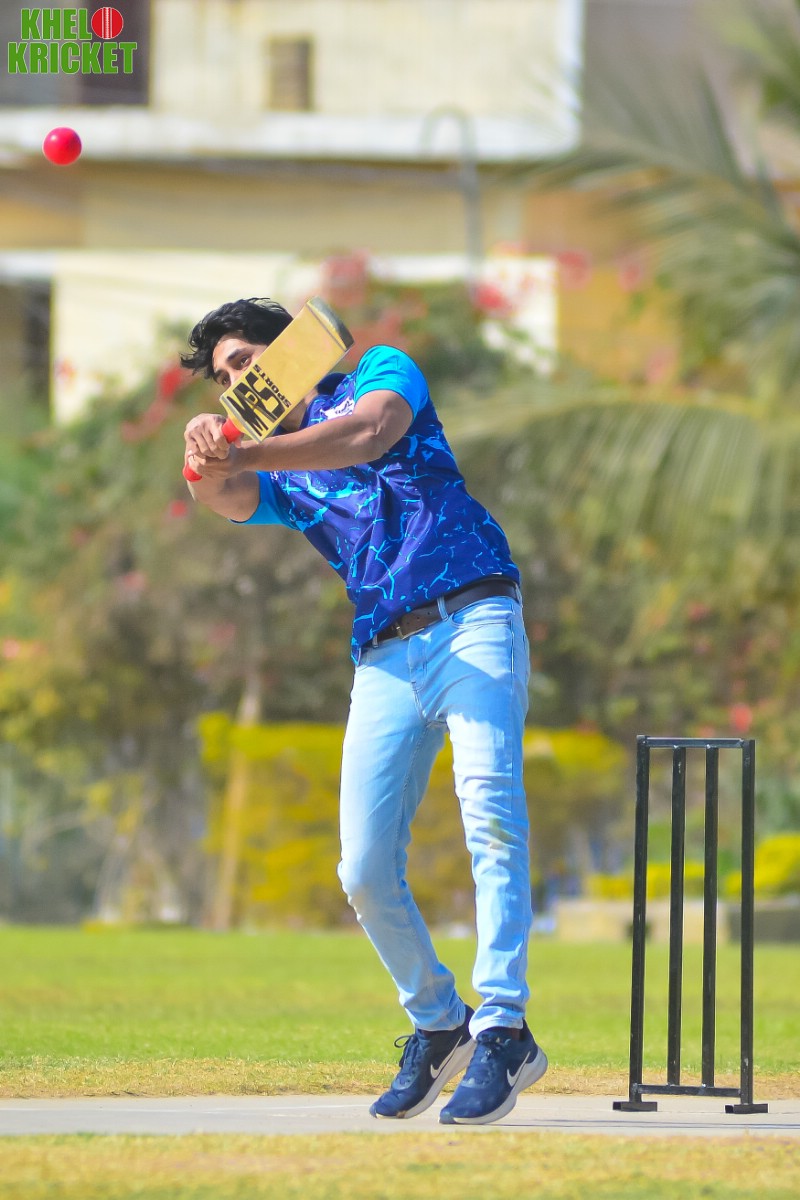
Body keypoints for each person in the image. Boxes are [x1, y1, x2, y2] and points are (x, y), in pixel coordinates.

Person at [181, 296, 547, 1125]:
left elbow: (369, 434)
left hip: (473, 614)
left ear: (293, 353)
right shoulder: (279, 474)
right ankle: (440, 1022)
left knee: (491, 817)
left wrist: (245, 447)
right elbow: (221, 497)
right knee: (363, 870)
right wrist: (204, 447)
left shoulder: (379, 371)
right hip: (384, 655)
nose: (238, 381)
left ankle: (503, 1028)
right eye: (226, 378)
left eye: (248, 363)